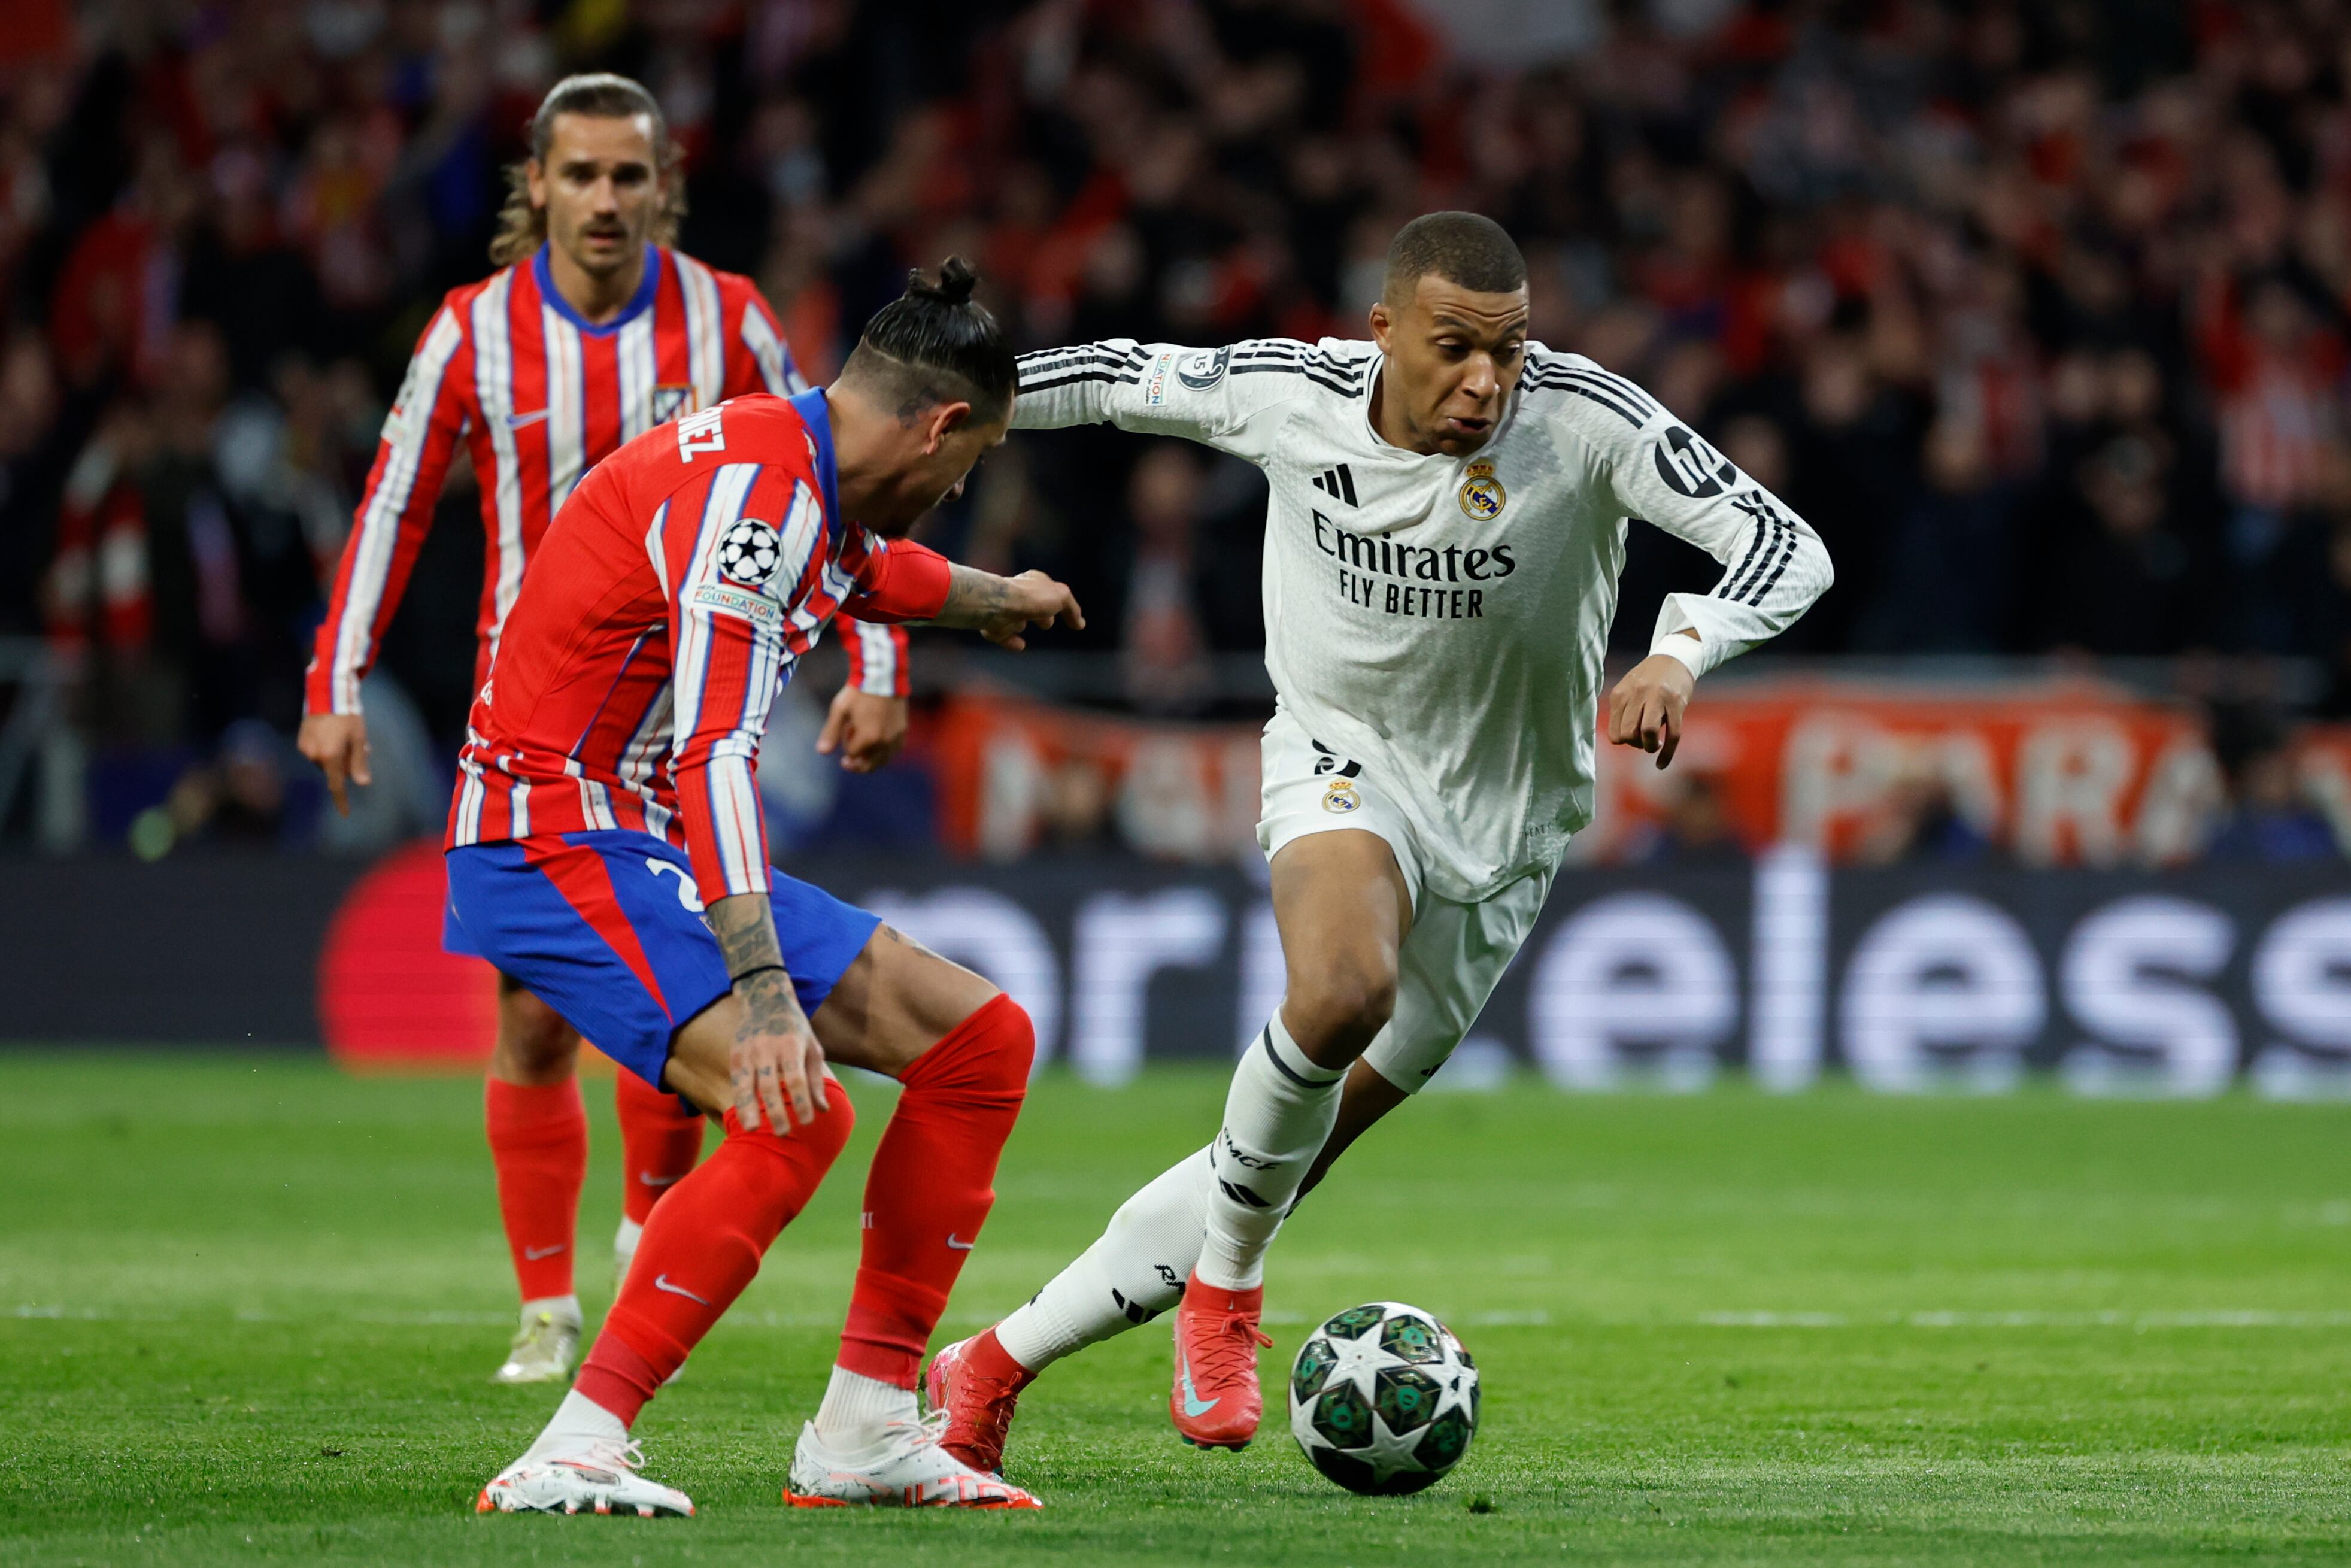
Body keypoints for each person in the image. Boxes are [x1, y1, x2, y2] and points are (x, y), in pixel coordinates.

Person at [925, 212, 1832, 1468]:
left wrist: (1679, 649)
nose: (1486, 380)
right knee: (1338, 988)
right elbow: (1116, 376)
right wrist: (926, 407)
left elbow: (1785, 546)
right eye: (1454, 347)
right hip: (1339, 755)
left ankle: (988, 1365)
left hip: (1507, 832)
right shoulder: (1288, 393)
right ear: (1384, 330)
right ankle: (1227, 1293)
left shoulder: (1583, 419)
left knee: (1272, 1152)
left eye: (1508, 348)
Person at [296, 75, 914, 1385]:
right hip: (541, 731)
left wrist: (875, 651)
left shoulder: (730, 318)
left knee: (680, 980)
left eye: (627, 176)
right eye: (578, 175)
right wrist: (334, 678)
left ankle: (645, 1235)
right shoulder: (470, 333)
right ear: (536, 187)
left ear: (661, 185)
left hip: (698, 712)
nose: (603, 199)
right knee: (532, 1019)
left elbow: (837, 476)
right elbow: (395, 502)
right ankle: (545, 1306)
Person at [467, 260, 1082, 1515]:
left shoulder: (802, 468)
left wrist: (991, 599)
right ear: (938, 425)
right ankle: (576, 1440)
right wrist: (761, 992)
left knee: (978, 1041)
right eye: (967, 469)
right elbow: (714, 751)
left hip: (631, 832)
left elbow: (876, 571)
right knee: (790, 1102)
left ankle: (865, 1425)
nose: (957, 493)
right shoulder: (760, 501)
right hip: (552, 832)